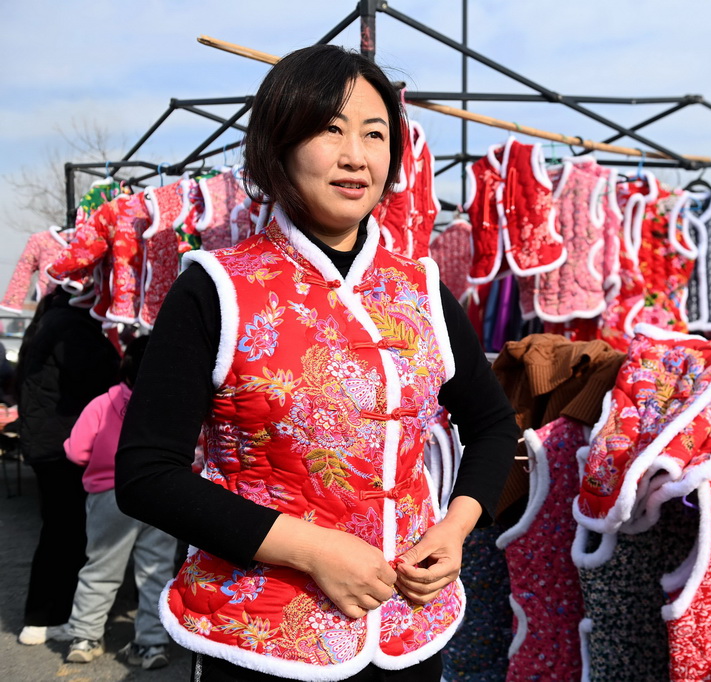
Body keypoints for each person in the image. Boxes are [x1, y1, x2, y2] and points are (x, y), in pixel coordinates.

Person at [116, 44, 518, 682]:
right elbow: (146, 473)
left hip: (407, 627)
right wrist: (314, 550)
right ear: (279, 142)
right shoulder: (216, 288)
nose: (356, 155)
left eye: (375, 133)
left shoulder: (420, 287)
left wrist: (457, 525)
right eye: (331, 129)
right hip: (263, 634)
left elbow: (494, 424)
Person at [64, 335, 178, 669]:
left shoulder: (103, 402)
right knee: (156, 570)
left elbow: (75, 451)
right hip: (160, 495)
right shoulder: (172, 405)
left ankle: (84, 638)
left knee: (100, 568)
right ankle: (152, 644)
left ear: (125, 365)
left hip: (110, 494)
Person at [16, 287, 120, 646]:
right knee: (66, 534)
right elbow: (99, 377)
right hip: (63, 448)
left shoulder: (51, 323)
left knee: (60, 532)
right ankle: (48, 617)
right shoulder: (72, 327)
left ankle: (50, 615)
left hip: (47, 444)